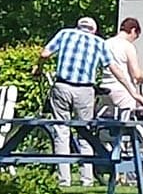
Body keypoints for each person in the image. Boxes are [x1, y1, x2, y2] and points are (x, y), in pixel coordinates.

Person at [41, 14, 111, 184]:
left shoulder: (65, 34)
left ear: (77, 26)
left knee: (61, 132)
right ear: (94, 30)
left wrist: (38, 68)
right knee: (85, 133)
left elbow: (44, 54)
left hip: (62, 86)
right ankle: (87, 178)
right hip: (85, 90)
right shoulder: (99, 43)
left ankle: (64, 179)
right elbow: (110, 65)